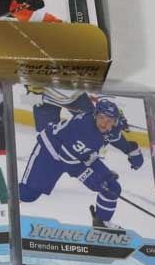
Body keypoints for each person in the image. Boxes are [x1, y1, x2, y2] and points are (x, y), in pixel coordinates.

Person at [18, 97, 143, 229]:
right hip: (51, 152)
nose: (104, 124)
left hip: (81, 154)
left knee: (112, 186)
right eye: (101, 118)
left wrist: (131, 150)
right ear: (95, 115)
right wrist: (90, 179)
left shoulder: (112, 128)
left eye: (109, 120)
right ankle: (6, 205)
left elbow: (115, 138)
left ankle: (102, 223)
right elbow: (67, 159)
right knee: (28, 194)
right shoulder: (84, 129)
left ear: (115, 121)